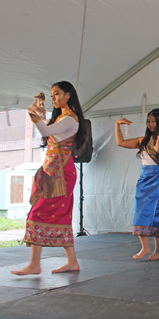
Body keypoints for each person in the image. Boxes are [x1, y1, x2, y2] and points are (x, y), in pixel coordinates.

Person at [11, 81, 88, 275]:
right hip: (53, 169)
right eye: (52, 94)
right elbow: (48, 128)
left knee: (39, 212)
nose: (53, 97)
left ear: (68, 95)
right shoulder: (63, 117)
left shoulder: (71, 118)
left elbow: (45, 131)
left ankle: (35, 264)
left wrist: (32, 112)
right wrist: (39, 114)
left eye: (57, 93)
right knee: (59, 213)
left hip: (61, 172)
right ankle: (71, 262)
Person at [115, 109, 159, 260]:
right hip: (144, 181)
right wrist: (117, 124)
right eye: (148, 121)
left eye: (154, 121)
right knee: (140, 213)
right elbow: (121, 142)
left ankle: (158, 250)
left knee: (158, 214)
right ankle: (145, 247)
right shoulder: (142, 141)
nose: (151, 124)